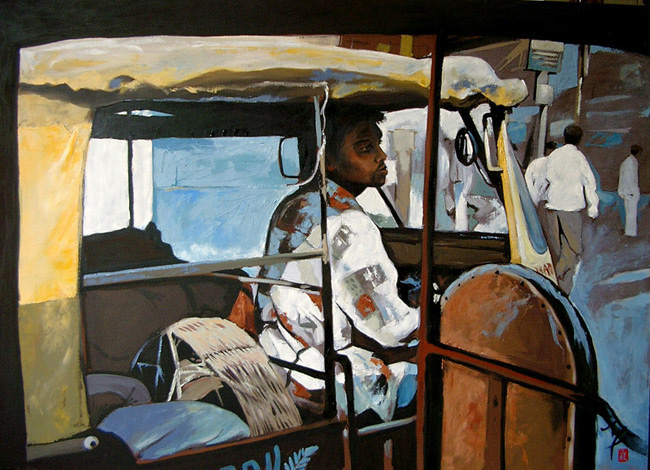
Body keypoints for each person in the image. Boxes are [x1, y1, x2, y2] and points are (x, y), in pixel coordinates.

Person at [255, 105, 419, 425]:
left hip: (279, 358)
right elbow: (389, 329)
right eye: (365, 148)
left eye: (378, 144)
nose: (382, 156)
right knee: (431, 374)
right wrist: (435, 316)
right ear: (327, 159)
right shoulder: (348, 223)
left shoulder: (296, 205)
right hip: (327, 377)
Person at [543, 125, 599, 293]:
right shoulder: (579, 158)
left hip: (552, 207)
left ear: (564, 137)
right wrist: (593, 207)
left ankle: (558, 286)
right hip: (571, 209)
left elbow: (548, 176)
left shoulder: (554, 155)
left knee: (557, 250)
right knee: (572, 250)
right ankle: (558, 281)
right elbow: (590, 183)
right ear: (579, 139)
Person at [618, 144, 642, 237]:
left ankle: (630, 231)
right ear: (638, 153)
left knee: (630, 212)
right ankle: (630, 232)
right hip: (630, 191)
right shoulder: (630, 163)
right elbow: (628, 178)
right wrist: (631, 192)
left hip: (628, 191)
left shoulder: (628, 161)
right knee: (631, 212)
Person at [525, 141, 557, 207]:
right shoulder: (553, 165)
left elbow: (527, 178)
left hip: (534, 198)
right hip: (541, 200)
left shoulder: (535, 162)